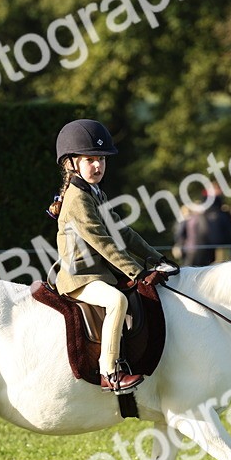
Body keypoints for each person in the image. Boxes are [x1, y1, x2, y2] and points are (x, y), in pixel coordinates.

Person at [48, 119, 177, 393]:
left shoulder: (95, 193)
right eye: (90, 160)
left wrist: (156, 258)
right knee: (117, 301)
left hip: (98, 273)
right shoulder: (77, 199)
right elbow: (102, 242)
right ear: (72, 163)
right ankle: (110, 372)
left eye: (102, 159)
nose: (98, 166)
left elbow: (122, 232)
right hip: (79, 278)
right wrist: (137, 271)